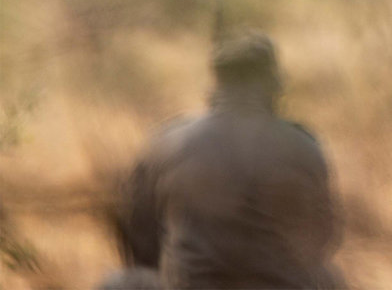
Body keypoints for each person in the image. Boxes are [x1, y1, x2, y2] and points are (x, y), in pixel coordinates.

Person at [117, 30, 343, 289]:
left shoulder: (167, 142)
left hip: (192, 284)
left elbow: (139, 233)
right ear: (274, 85)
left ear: (215, 86)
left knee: (122, 282)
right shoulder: (304, 146)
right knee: (331, 278)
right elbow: (324, 235)